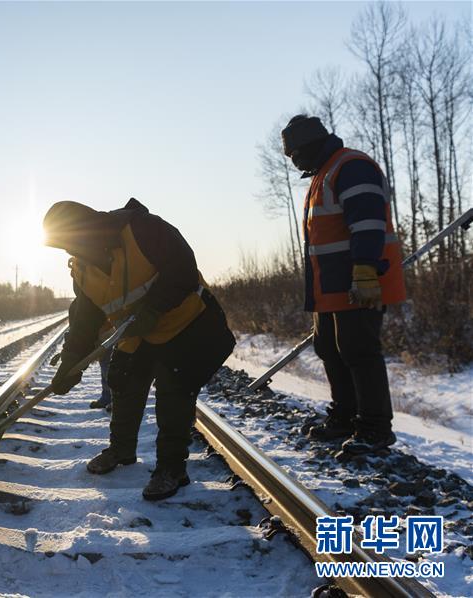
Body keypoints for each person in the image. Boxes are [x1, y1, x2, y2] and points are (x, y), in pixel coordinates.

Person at [43, 198, 235, 501]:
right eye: (65, 246)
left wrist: (154, 308)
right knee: (122, 381)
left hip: (184, 324)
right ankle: (121, 450)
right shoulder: (81, 267)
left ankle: (172, 469)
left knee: (173, 391)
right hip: (137, 332)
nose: (72, 251)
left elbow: (183, 266)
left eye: (73, 242)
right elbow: (84, 319)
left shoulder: (142, 229)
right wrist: (70, 363)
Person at [281, 114, 406, 455]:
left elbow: (367, 223)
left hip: (358, 283)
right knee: (331, 350)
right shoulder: (324, 174)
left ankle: (374, 428)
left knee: (359, 352)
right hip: (330, 289)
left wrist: (365, 271)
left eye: (295, 154)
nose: (294, 162)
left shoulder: (350, 166)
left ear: (310, 145)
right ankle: (345, 417)